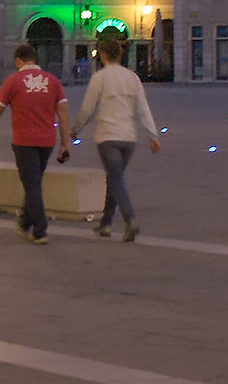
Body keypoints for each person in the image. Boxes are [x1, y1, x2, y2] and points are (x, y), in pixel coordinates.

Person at [68, 40, 160, 242]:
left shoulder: (100, 78)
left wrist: (75, 129)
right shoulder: (132, 77)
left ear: (103, 54)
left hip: (108, 136)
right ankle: (106, 224)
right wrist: (152, 135)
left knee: (116, 179)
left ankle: (130, 219)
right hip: (129, 139)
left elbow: (88, 108)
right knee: (114, 177)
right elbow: (142, 108)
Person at [0, 42, 68, 243]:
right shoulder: (53, 81)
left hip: (24, 140)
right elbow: (62, 114)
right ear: (34, 59)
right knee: (34, 182)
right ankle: (24, 222)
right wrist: (65, 144)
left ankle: (40, 229)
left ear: (18, 60)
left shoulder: (13, 81)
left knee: (32, 185)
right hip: (47, 141)